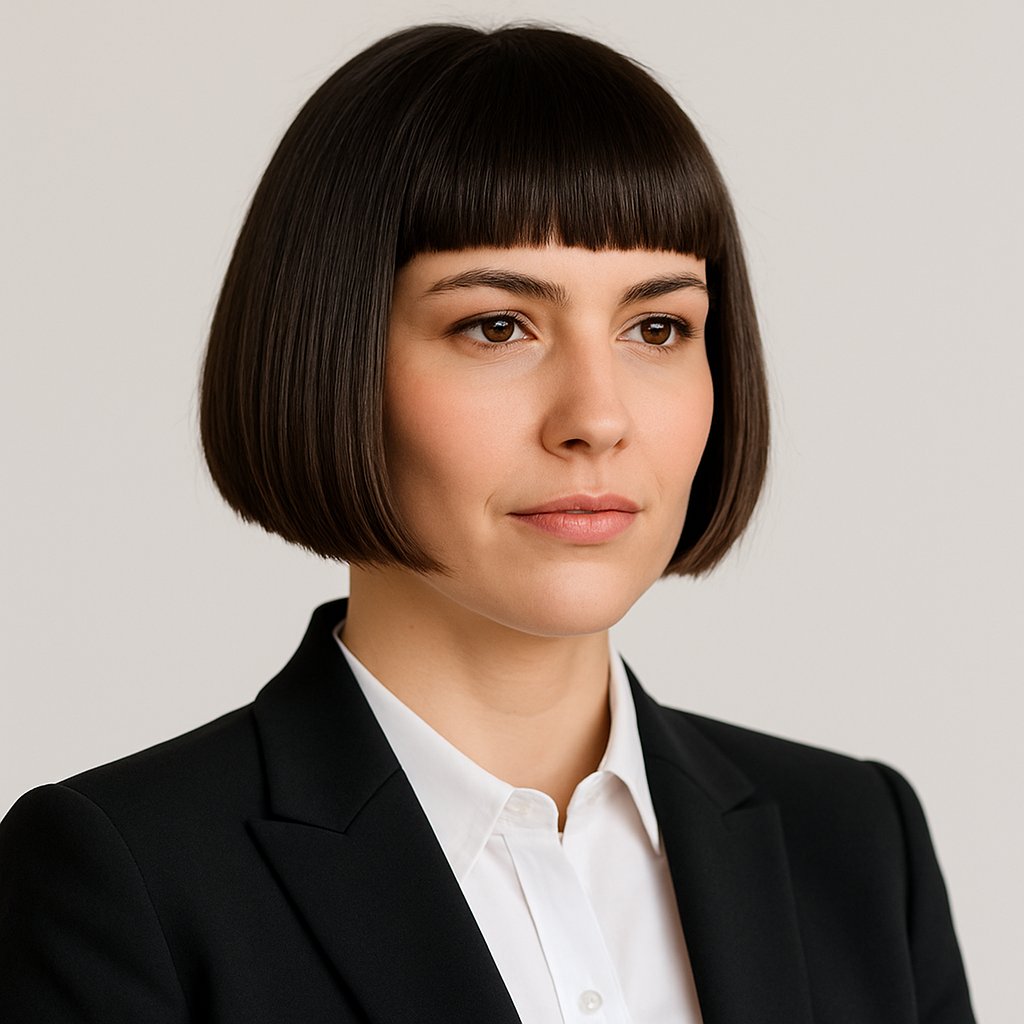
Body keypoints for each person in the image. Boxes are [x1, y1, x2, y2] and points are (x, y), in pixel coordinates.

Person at [0, 23, 975, 1024]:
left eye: (656, 327)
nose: (597, 417)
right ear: (332, 358)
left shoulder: (857, 842)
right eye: (497, 326)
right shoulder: (129, 879)